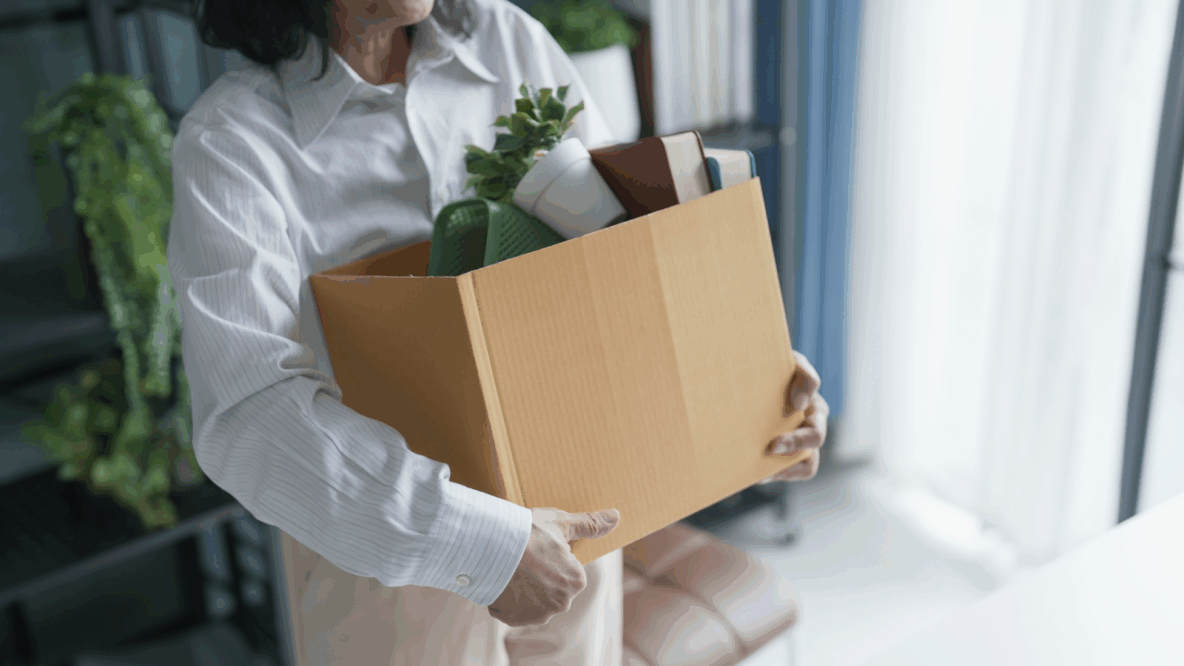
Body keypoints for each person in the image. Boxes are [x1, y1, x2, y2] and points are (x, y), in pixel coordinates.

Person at [169, 0, 829, 663]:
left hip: (577, 511)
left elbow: (624, 258)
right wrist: (482, 545)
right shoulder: (231, 142)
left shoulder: (506, 39)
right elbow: (249, 410)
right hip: (389, 569)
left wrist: (749, 381)